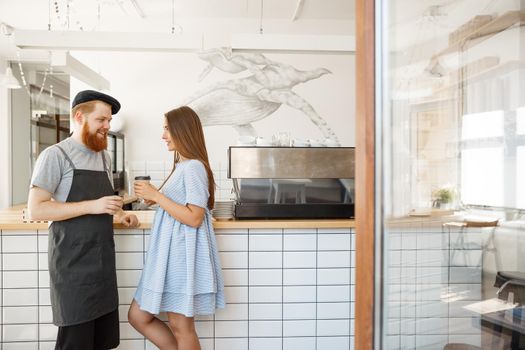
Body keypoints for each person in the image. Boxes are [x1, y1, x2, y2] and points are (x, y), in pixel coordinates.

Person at [27, 90, 140, 350]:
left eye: (109, 121)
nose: (107, 126)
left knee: (102, 343)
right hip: (72, 268)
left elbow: (106, 203)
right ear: (80, 117)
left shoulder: (103, 157)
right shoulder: (55, 155)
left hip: (102, 266)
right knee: (75, 344)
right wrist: (93, 205)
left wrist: (122, 215)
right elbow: (36, 210)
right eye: (102, 120)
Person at [128, 106, 225, 350]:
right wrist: (156, 198)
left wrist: (157, 197)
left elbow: (194, 217)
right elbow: (180, 206)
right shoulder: (183, 166)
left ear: (182, 131)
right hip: (169, 257)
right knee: (138, 316)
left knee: (181, 327)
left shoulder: (193, 167)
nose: (163, 136)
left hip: (181, 257)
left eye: (167, 129)